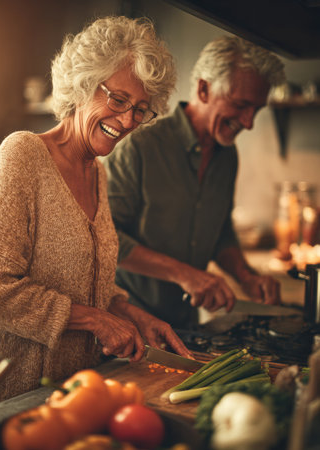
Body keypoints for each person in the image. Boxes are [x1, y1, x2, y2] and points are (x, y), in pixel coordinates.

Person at [0, 16, 193, 400]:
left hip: (75, 390)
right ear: (82, 85)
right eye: (118, 100)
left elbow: (85, 283)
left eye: (141, 109)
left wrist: (135, 316)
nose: (128, 120)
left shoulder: (98, 173)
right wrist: (96, 321)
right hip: (11, 393)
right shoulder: (23, 153)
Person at [103, 36, 285, 329]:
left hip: (185, 323)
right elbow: (106, 239)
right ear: (204, 89)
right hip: (129, 321)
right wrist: (184, 274)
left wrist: (246, 275)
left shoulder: (227, 155)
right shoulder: (139, 146)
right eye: (241, 105)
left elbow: (220, 231)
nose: (249, 122)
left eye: (256, 110)